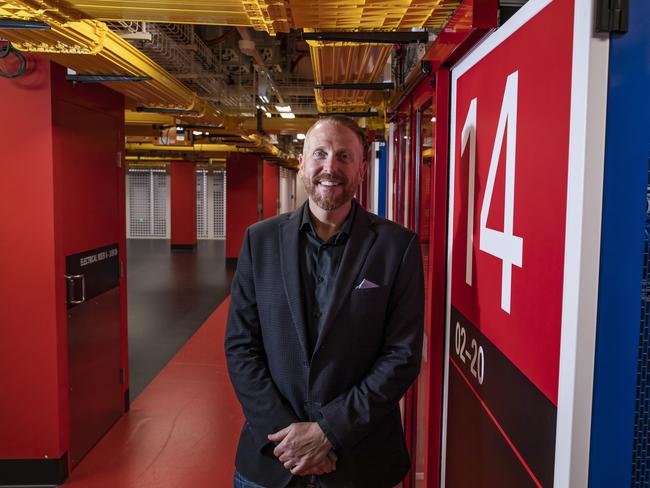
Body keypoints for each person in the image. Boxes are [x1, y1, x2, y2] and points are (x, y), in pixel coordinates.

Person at [225, 115, 424, 488]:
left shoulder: (397, 247)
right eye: (319, 154)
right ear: (301, 164)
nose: (330, 167)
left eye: (344, 157)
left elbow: (402, 355)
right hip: (272, 460)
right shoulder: (259, 241)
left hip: (361, 461)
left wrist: (329, 432)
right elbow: (241, 347)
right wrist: (288, 440)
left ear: (361, 169)